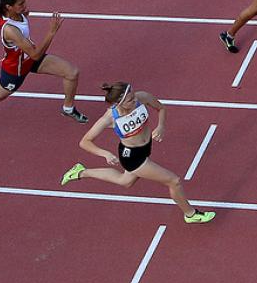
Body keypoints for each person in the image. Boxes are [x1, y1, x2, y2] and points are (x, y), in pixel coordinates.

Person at [60, 81, 215, 224]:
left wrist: (161, 126)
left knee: (125, 181)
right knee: (173, 181)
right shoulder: (110, 118)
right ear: (118, 103)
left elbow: (161, 108)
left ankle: (81, 172)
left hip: (146, 147)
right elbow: (85, 142)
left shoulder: (141, 97)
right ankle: (190, 214)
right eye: (129, 100)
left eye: (133, 96)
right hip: (132, 156)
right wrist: (105, 154)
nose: (134, 100)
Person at [0, 0, 85, 126]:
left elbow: (32, 53)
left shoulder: (18, 13)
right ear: (9, 7)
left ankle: (68, 108)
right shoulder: (10, 30)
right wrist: (52, 32)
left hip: (28, 57)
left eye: (24, 1)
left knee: (72, 73)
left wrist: (24, 14)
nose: (25, 6)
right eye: (21, 4)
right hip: (15, 70)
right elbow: (36, 55)